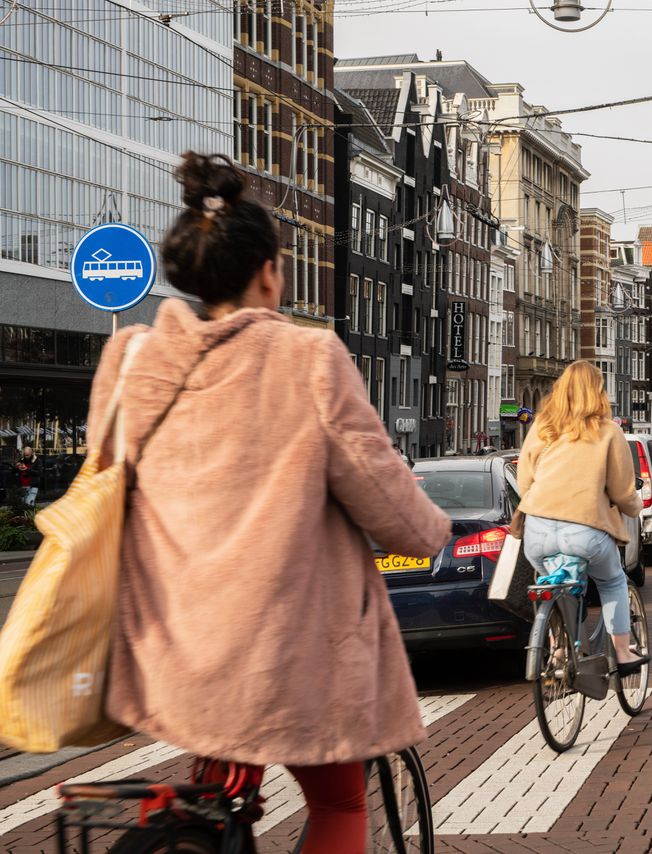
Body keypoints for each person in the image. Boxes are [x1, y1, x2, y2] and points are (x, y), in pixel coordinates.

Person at [81, 153, 452, 853]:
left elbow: (105, 479)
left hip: (174, 649)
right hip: (284, 655)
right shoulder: (307, 359)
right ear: (269, 272)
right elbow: (386, 503)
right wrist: (434, 532)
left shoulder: (130, 359)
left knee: (216, 780)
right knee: (341, 804)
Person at [516, 360, 647, 674]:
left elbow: (524, 480)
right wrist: (634, 507)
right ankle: (622, 653)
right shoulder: (608, 431)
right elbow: (621, 489)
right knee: (612, 581)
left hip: (537, 531)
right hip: (585, 531)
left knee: (553, 583)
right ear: (598, 392)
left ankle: (561, 649)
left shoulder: (542, 426)